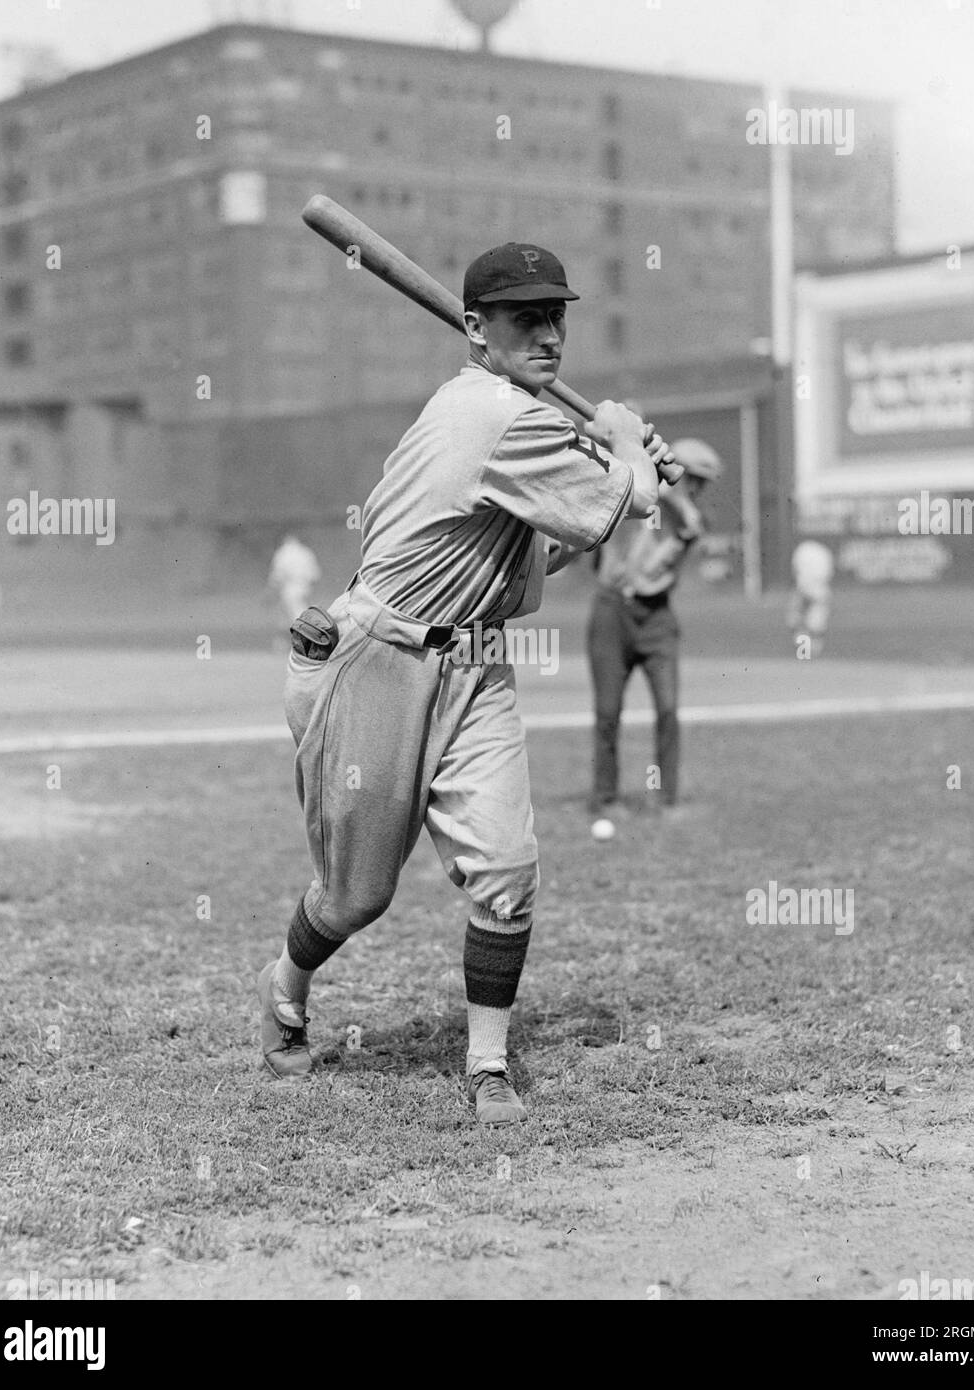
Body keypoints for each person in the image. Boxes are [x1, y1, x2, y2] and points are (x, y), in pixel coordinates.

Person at [257, 242, 674, 1124]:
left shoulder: (514, 415)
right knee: (356, 896)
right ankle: (287, 983)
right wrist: (630, 450)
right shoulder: (493, 414)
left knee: (508, 867)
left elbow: (548, 542)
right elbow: (623, 506)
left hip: (473, 662)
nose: (548, 333)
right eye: (526, 318)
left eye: (556, 315)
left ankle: (488, 1063)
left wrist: (613, 460)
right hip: (376, 659)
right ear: (476, 330)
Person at [585, 437, 722, 817]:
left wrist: (681, 509)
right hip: (612, 610)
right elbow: (642, 496)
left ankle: (665, 798)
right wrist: (661, 479)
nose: (698, 489)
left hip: (657, 615)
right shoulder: (637, 495)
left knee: (667, 709)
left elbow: (661, 560)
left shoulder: (693, 521)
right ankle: (605, 797)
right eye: (694, 479)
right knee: (608, 711)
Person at [787, 539, 835, 658]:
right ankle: (809, 651)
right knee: (813, 622)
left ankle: (804, 651)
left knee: (800, 619)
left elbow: (795, 571)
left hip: (806, 588)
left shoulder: (803, 550)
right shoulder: (822, 552)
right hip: (819, 589)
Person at [268, 535, 321, 624]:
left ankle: (304, 628)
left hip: (291, 585)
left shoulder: (283, 552)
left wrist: (272, 585)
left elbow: (279, 572)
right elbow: (315, 572)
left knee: (295, 608)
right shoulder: (305, 551)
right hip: (305, 584)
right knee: (296, 606)